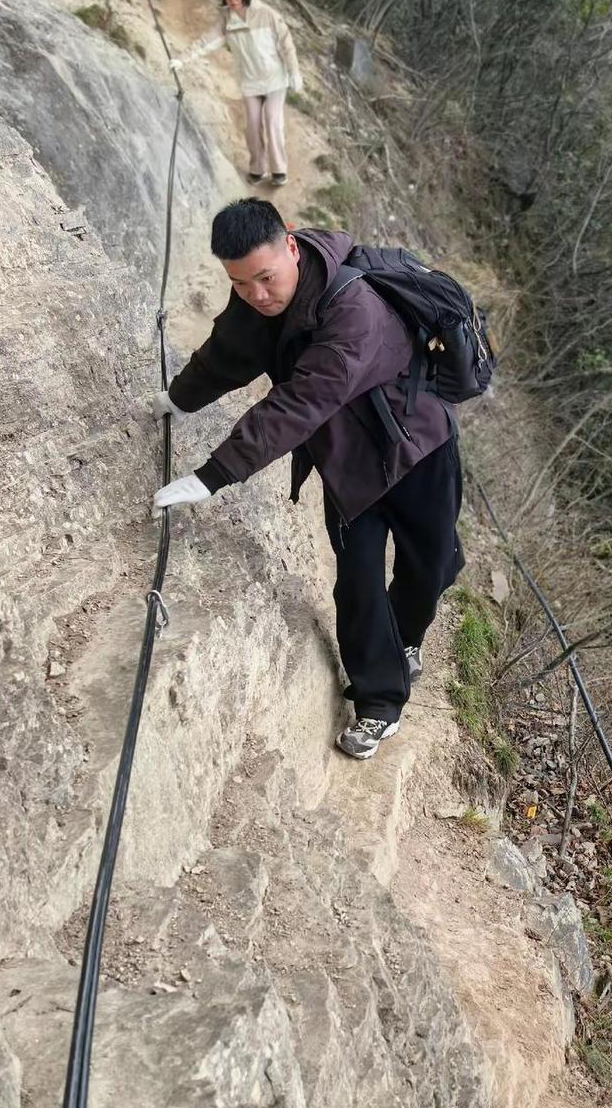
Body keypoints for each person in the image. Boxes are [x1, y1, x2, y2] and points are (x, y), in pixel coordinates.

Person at [150, 200, 464, 759]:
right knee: (360, 580)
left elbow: (298, 403)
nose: (257, 296)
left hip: (419, 447)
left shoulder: (356, 310)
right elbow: (228, 353)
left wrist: (214, 474)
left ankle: (407, 639)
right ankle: (379, 703)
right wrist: (178, 399)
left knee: (431, 563)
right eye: (241, 284)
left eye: (265, 278)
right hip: (348, 463)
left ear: (291, 246)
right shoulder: (257, 298)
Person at [170, 0, 301, 185]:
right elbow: (206, 42)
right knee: (253, 124)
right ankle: (257, 168)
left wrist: (294, 72)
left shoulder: (266, 14)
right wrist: (182, 60)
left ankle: (279, 170)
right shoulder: (226, 20)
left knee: (272, 120)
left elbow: (286, 44)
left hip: (275, 79)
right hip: (250, 81)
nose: (232, 0)